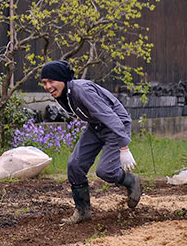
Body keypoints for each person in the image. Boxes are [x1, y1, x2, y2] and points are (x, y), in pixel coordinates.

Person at [40, 60, 142, 225]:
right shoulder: (63, 94)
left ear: (62, 79)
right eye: (44, 82)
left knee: (106, 171)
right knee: (75, 165)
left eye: (51, 81)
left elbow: (110, 116)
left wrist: (124, 147)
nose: (47, 86)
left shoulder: (81, 90)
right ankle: (82, 212)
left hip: (115, 126)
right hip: (96, 126)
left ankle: (131, 180)